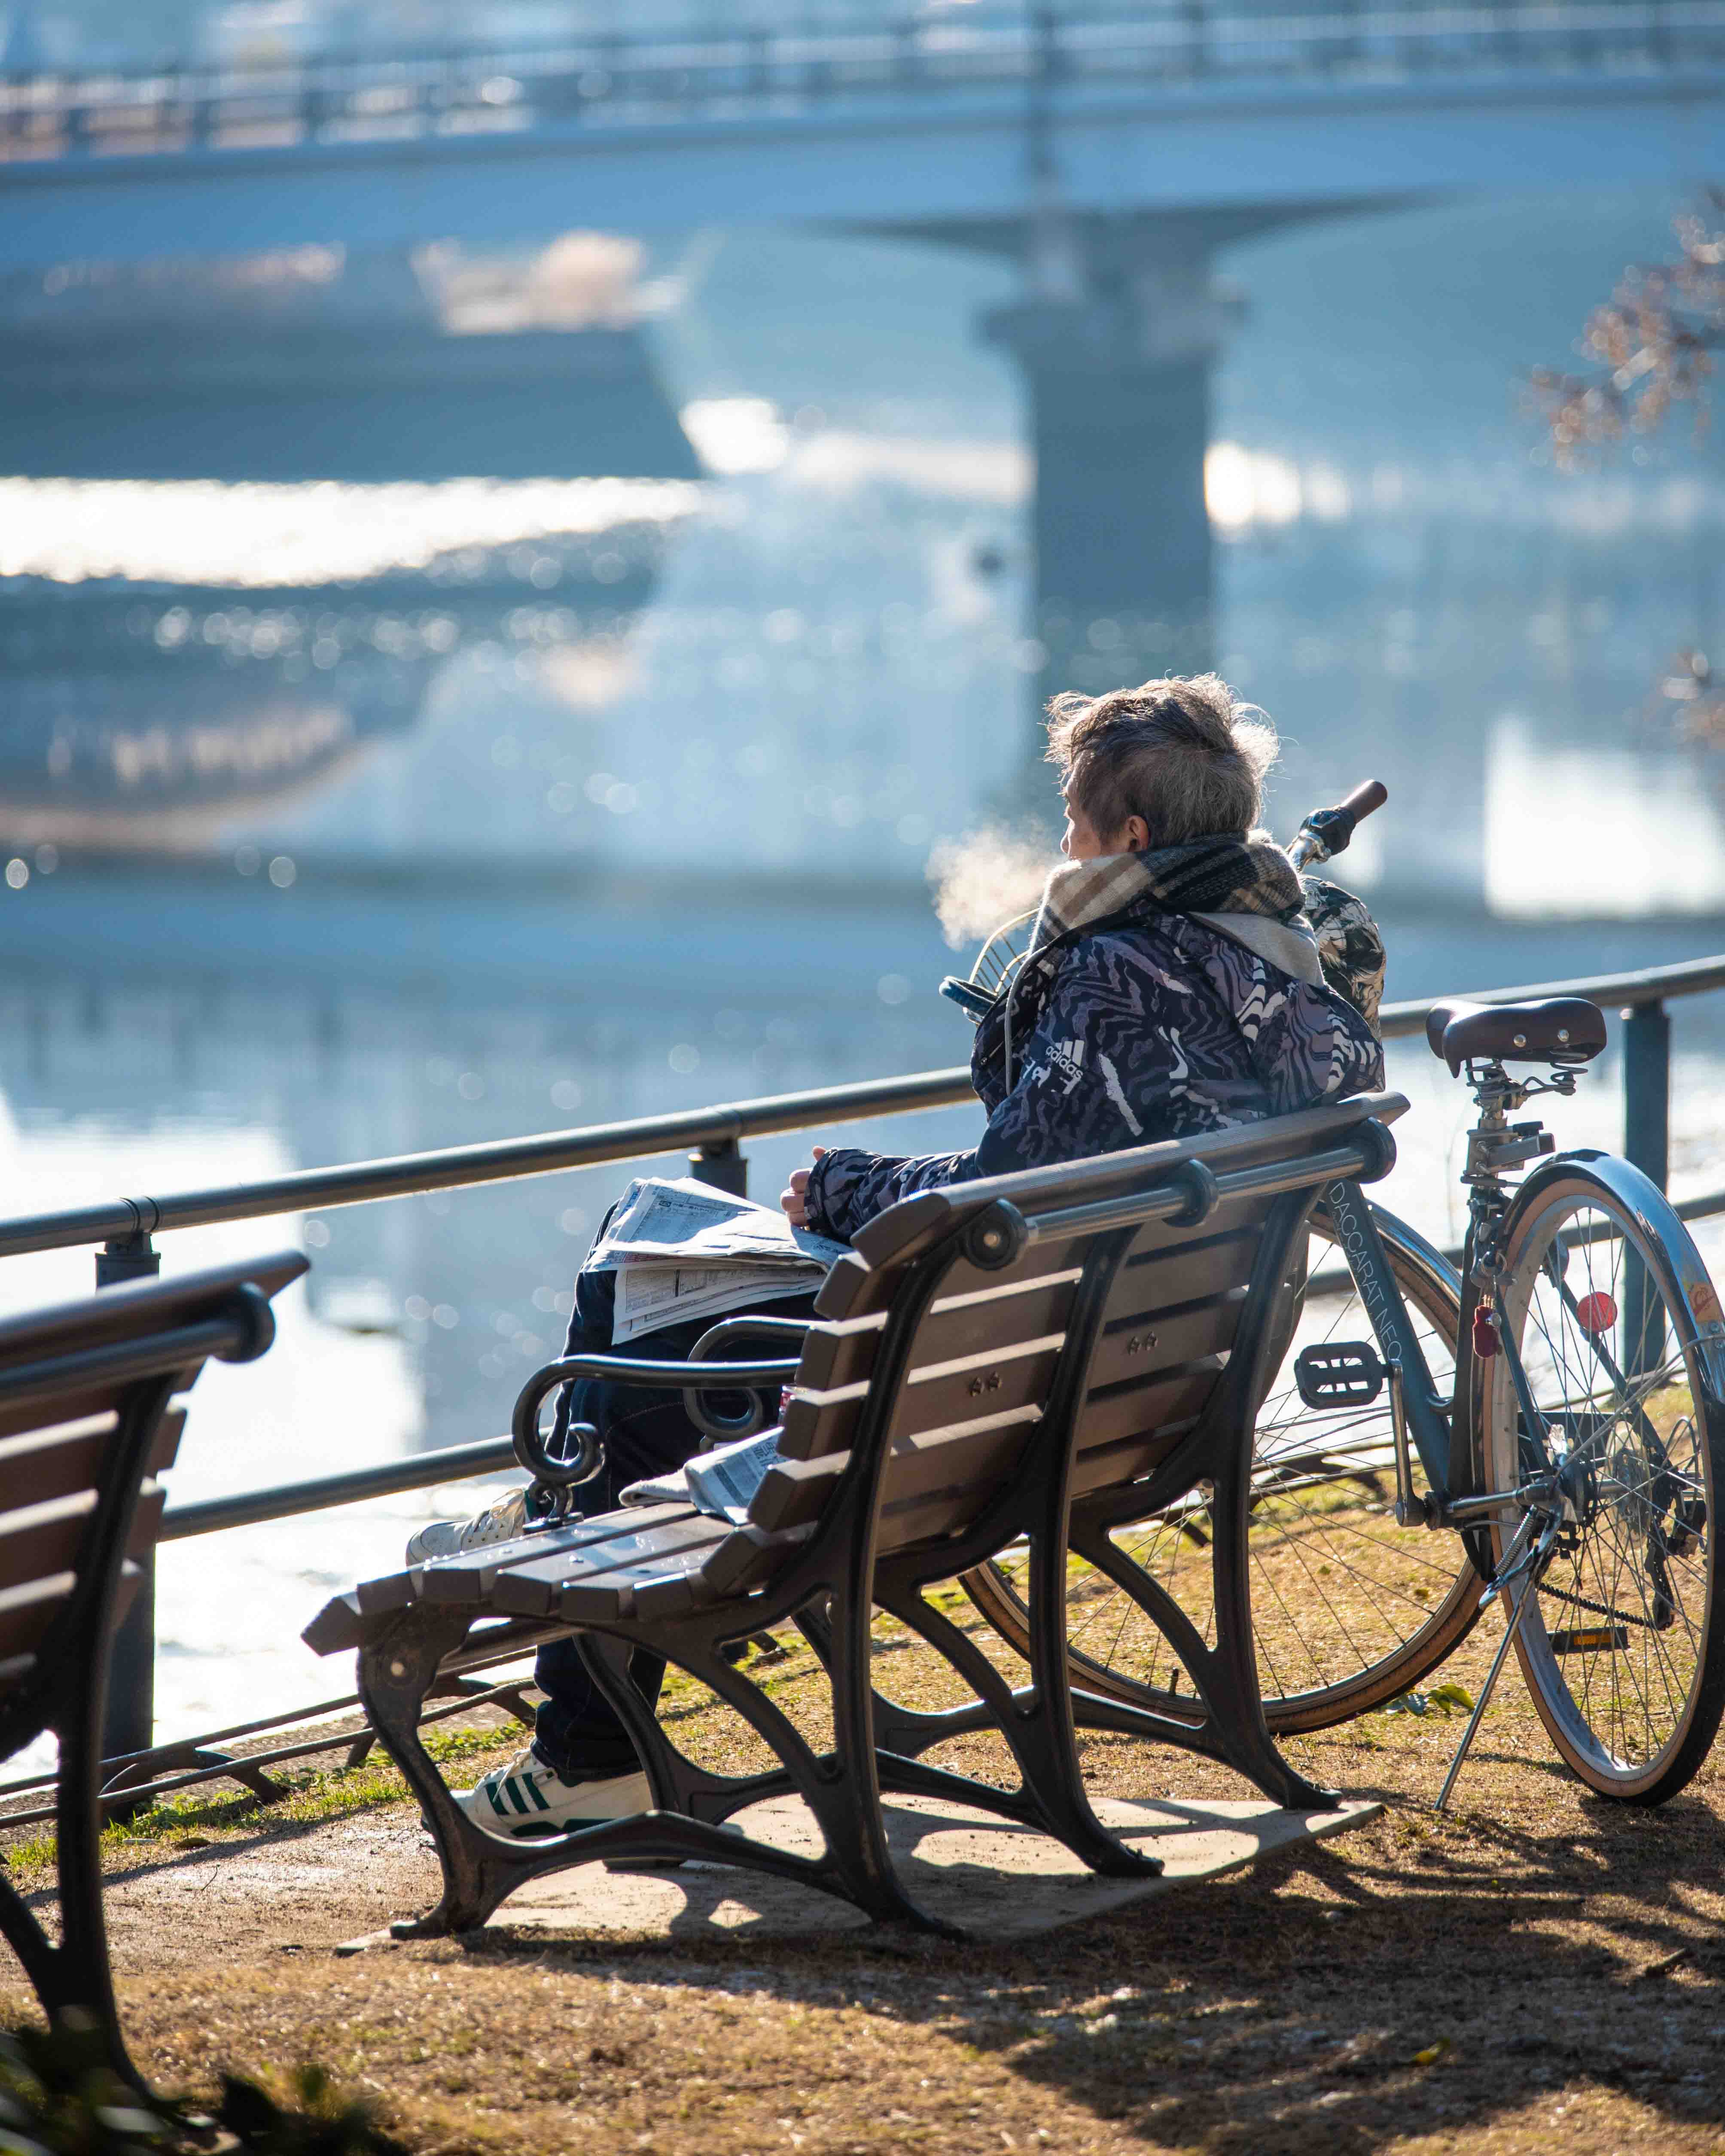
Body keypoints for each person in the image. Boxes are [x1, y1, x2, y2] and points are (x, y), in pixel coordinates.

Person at [429, 672, 1385, 1837]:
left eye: (1075, 825)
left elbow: (1003, 1198)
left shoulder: (1110, 977)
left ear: (1129, 840)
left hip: (971, 1422)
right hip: (1144, 1394)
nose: (1063, 847)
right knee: (649, 1305)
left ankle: (584, 1736)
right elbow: (1061, 1169)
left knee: (627, 1349)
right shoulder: (1291, 979)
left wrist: (846, 1183)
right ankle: (549, 1519)